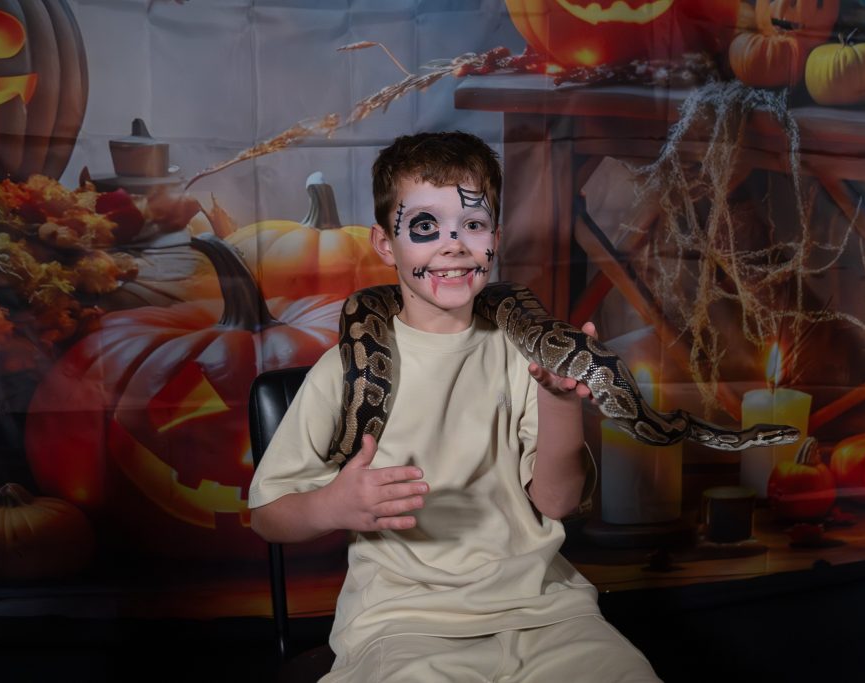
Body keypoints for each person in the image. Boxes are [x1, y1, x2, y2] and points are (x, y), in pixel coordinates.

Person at [248, 131, 661, 682]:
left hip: (545, 610)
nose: (454, 245)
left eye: (473, 224)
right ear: (385, 244)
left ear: (496, 238)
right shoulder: (342, 370)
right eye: (426, 227)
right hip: (403, 622)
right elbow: (266, 515)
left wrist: (560, 401)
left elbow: (557, 502)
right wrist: (332, 506)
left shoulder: (525, 355)